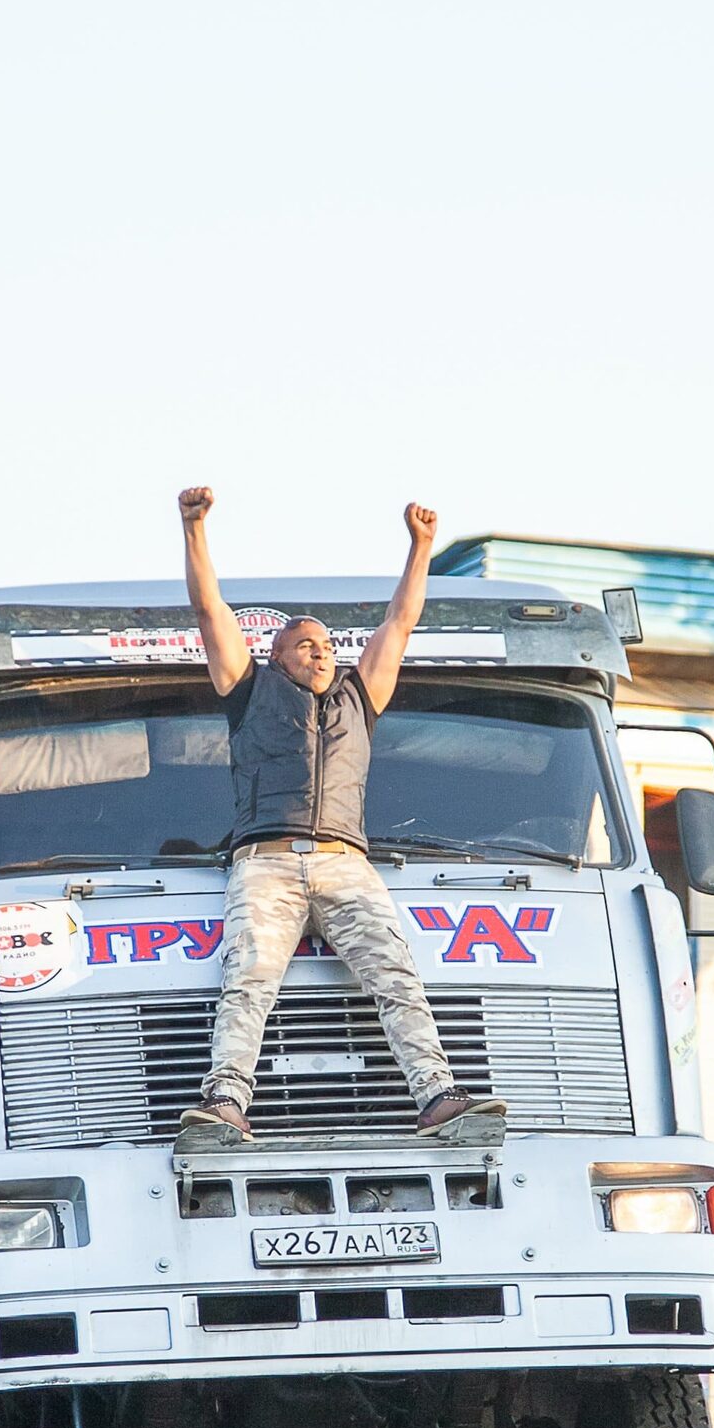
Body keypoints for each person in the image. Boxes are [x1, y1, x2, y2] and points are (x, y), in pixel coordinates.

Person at [174, 486, 505, 1145]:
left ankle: (438, 1097)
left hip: (345, 862)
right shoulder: (249, 692)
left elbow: (400, 625)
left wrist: (421, 549)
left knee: (395, 973)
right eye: (303, 645)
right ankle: (226, 1106)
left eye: (326, 645)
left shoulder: (359, 699)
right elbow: (211, 612)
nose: (320, 652)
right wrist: (194, 528)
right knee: (248, 980)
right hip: (266, 862)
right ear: (274, 657)